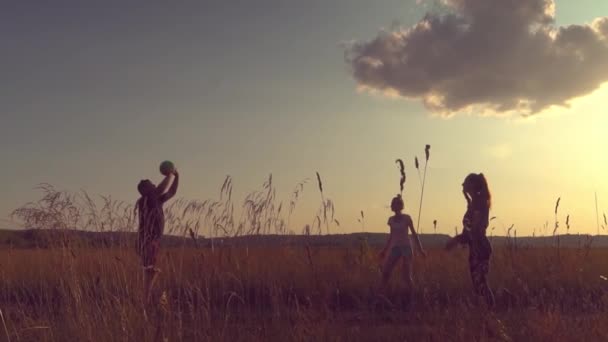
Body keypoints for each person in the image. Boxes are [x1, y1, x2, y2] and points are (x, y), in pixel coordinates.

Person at [445, 173, 495, 307]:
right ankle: (489, 310)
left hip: (480, 247)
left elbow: (475, 228)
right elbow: (470, 228)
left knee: (481, 283)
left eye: (465, 182)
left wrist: (456, 240)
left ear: (472, 185)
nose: (463, 185)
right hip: (476, 247)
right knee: (478, 284)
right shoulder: (475, 202)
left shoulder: (478, 202)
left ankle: (492, 309)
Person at [136, 169, 179, 303]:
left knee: (151, 271)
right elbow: (162, 188)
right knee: (150, 271)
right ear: (145, 190)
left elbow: (172, 191)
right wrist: (172, 174)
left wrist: (177, 177)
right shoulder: (146, 199)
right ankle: (146, 301)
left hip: (152, 240)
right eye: (151, 184)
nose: (154, 185)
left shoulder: (156, 199)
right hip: (148, 241)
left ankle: (148, 300)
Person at [379, 194, 426, 290]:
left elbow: (414, 234)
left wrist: (421, 250)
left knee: (406, 275)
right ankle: (382, 292)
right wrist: (384, 251)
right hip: (395, 248)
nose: (394, 206)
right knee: (386, 272)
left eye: (396, 204)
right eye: (393, 204)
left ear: (401, 205)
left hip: (406, 248)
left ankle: (412, 294)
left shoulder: (407, 218)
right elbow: (391, 236)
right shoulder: (391, 220)